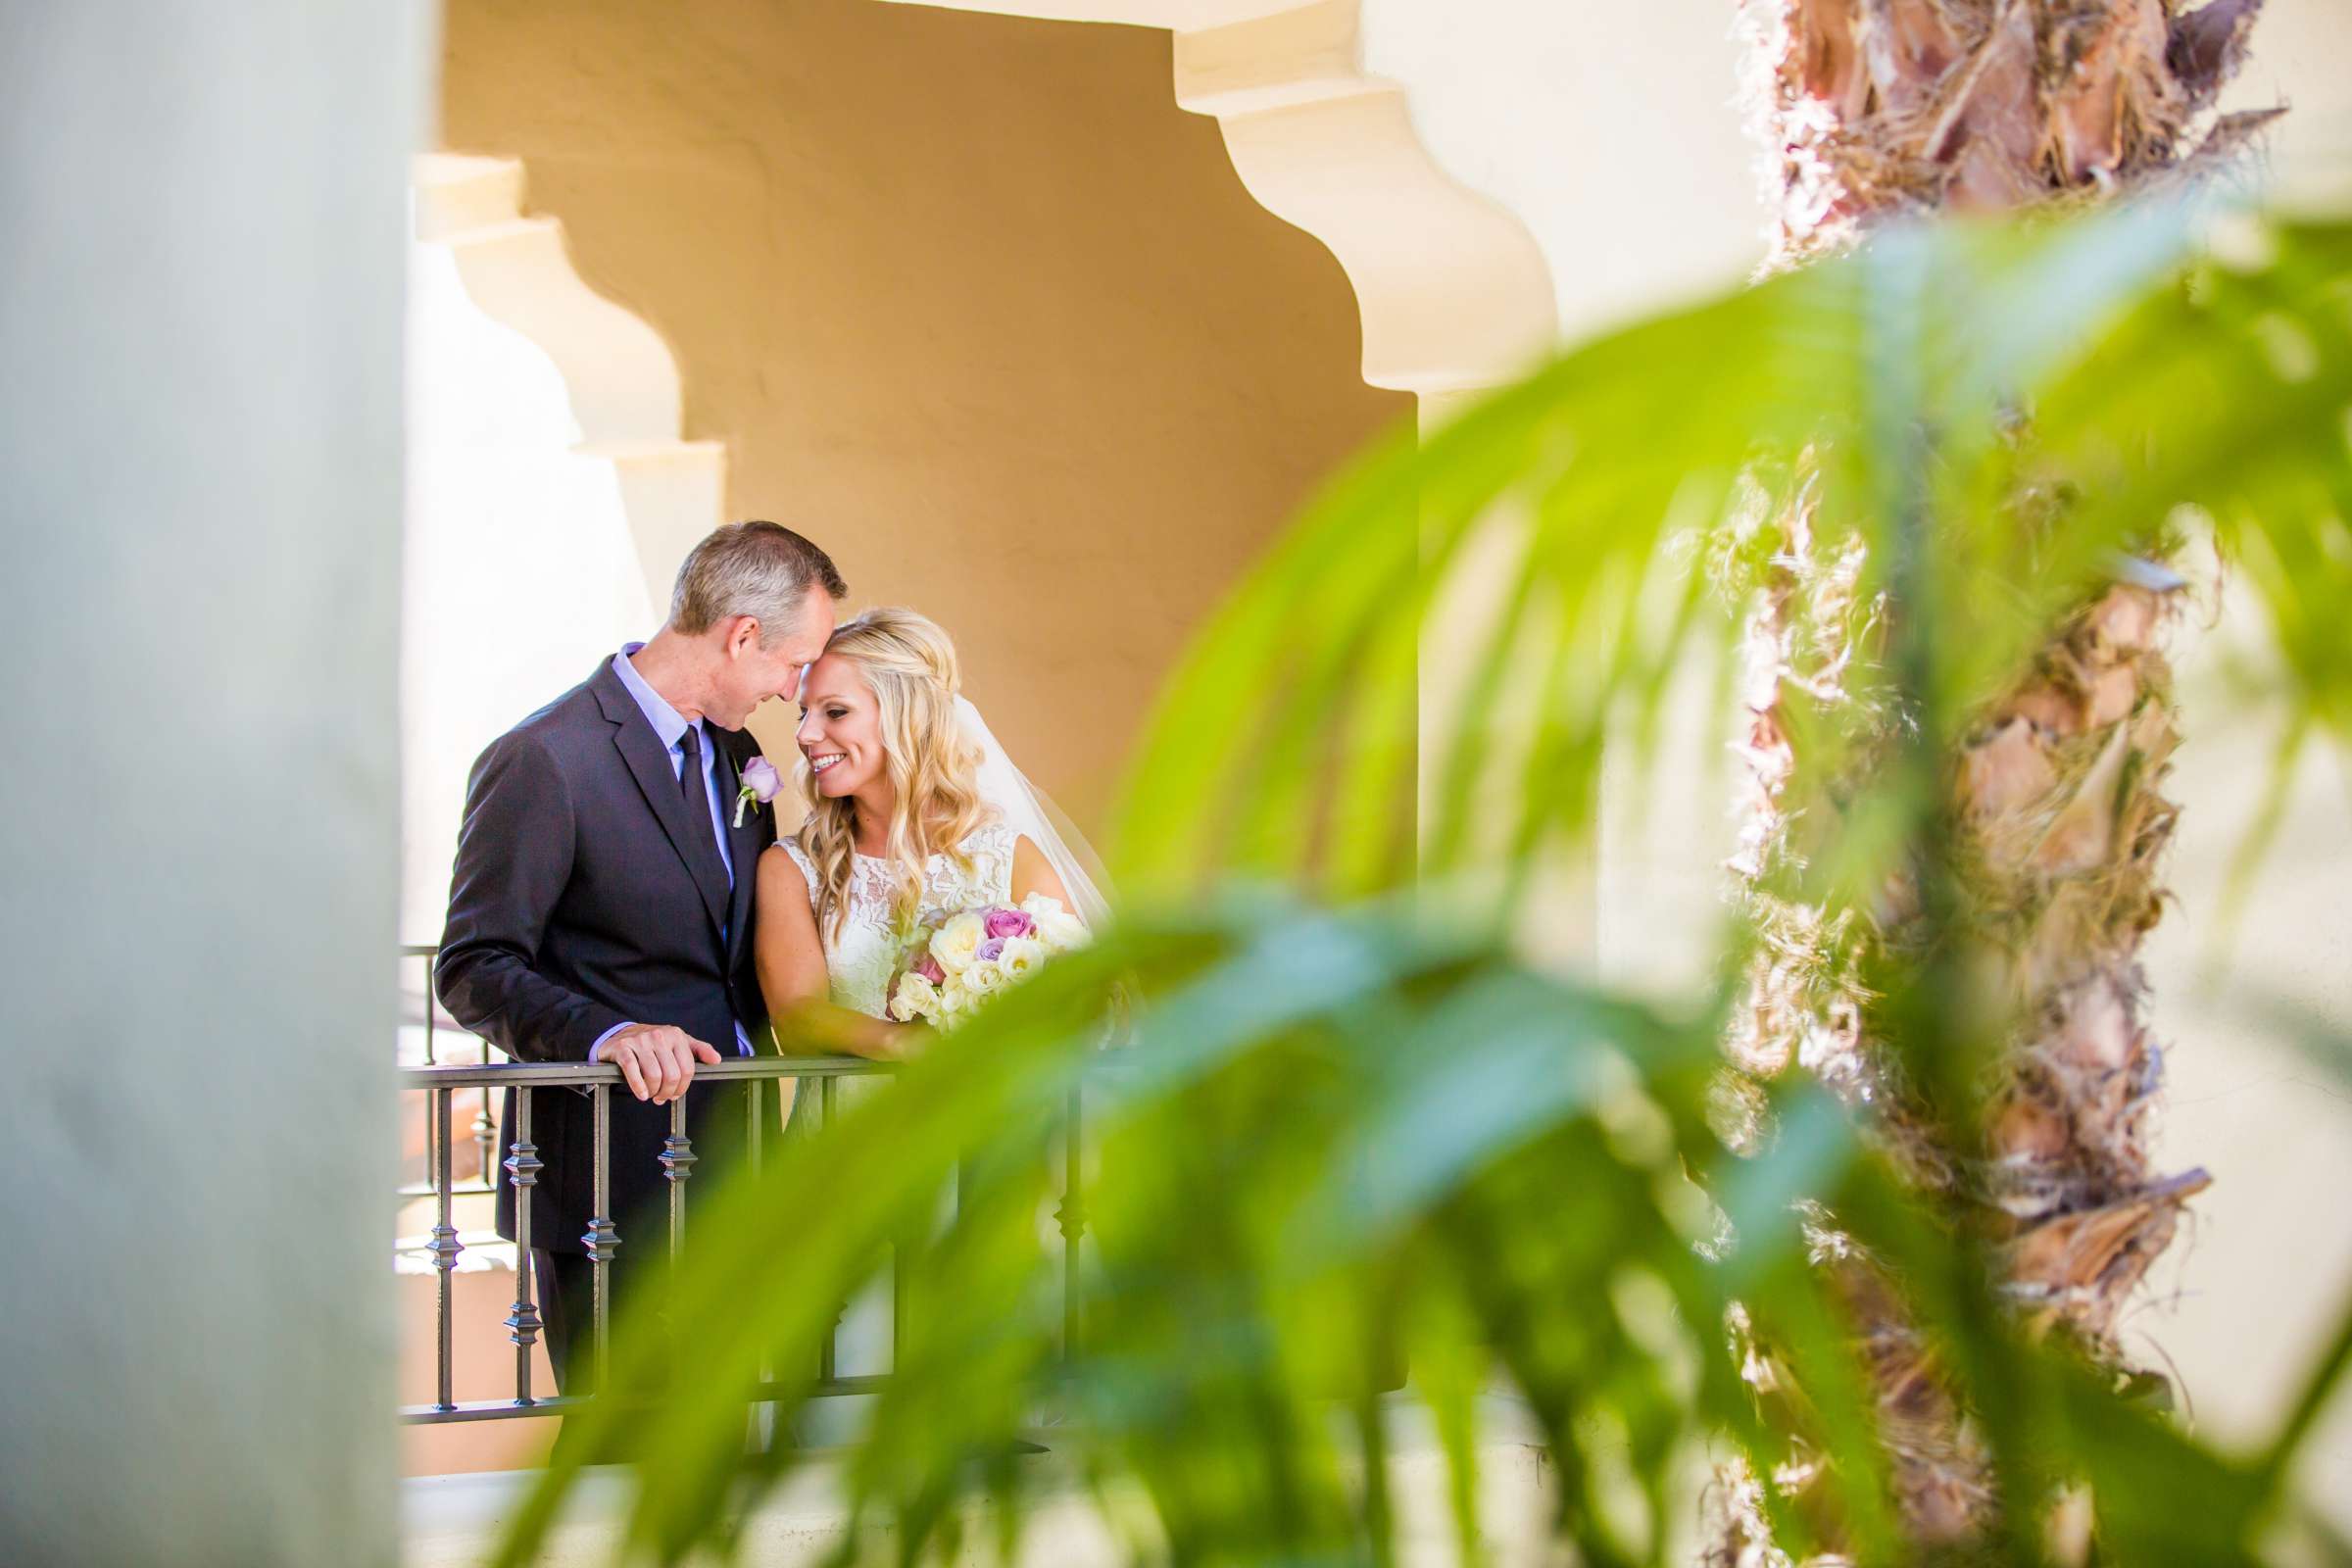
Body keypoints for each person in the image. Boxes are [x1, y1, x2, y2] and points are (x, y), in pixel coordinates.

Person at [435, 519, 845, 1396]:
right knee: (625, 1464)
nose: (791, 691)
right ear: (739, 637)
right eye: (790, 664)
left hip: (733, 1166)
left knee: (717, 1452)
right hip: (605, 1180)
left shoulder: (738, 756)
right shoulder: (544, 759)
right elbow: (473, 963)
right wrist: (608, 1030)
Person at [756, 607, 1107, 1058]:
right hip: (852, 1121)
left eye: (835, 712)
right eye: (803, 713)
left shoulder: (1007, 856)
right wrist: (917, 1048)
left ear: (907, 717)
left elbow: (1082, 998)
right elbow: (797, 1017)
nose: (806, 734)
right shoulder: (792, 867)